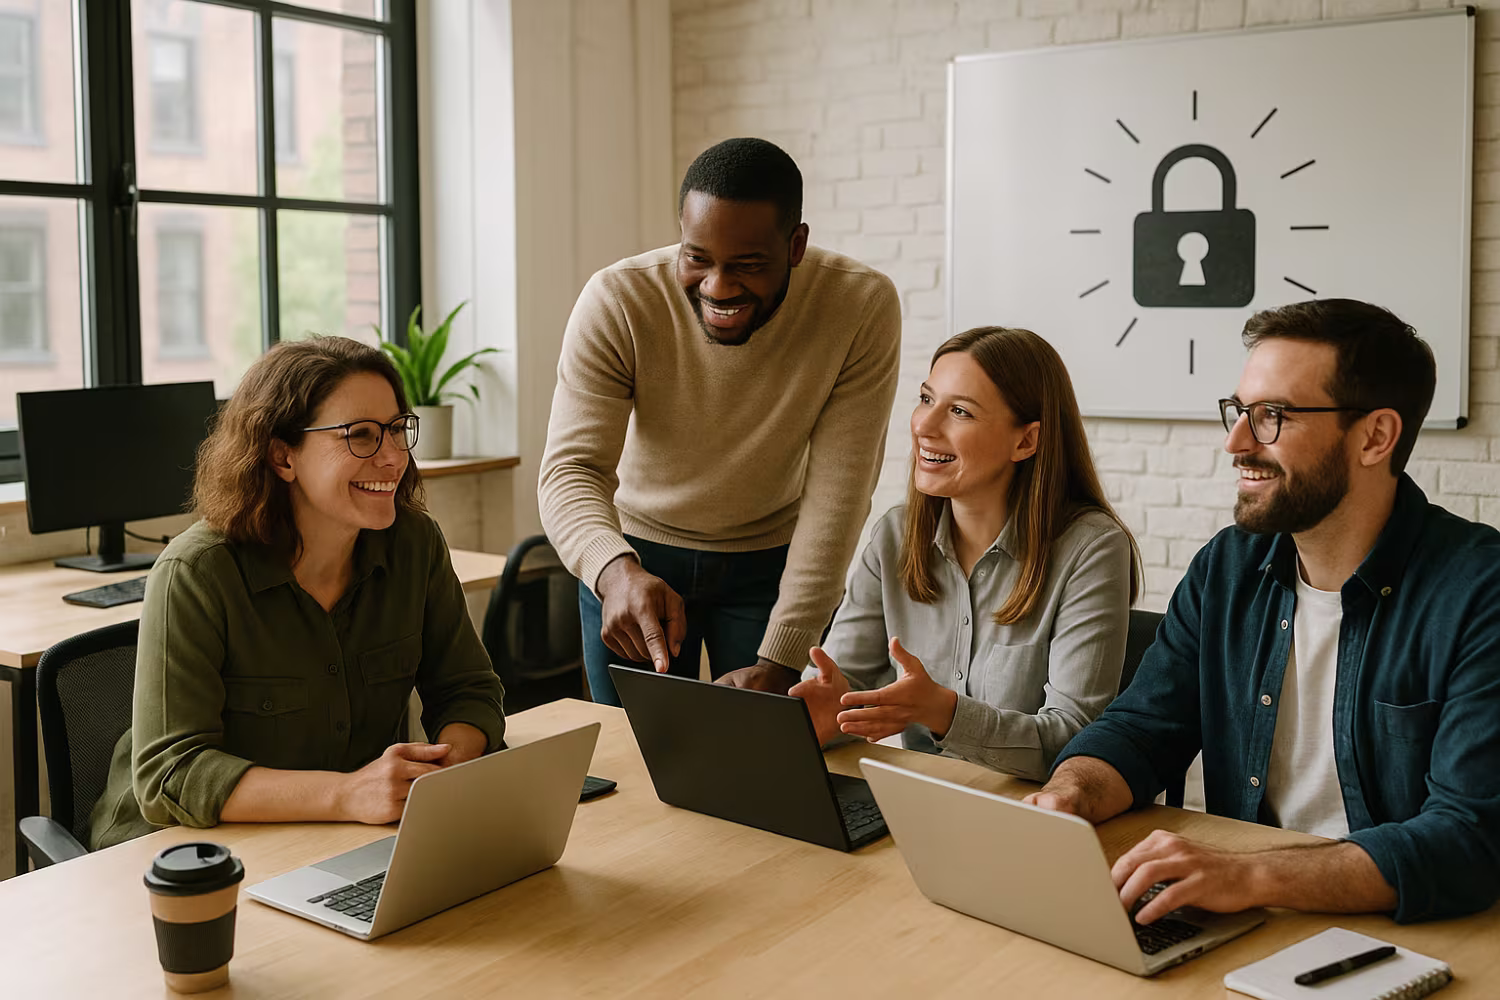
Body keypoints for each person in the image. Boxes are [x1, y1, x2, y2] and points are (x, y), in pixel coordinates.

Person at [1026, 299, 1500, 925]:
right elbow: (1141, 730)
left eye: (1273, 416)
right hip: (1241, 913)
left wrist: (1248, 874)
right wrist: (1068, 796)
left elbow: (1466, 839)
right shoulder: (1229, 567)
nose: (1237, 443)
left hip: (1396, 928)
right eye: (1241, 411)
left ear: (1375, 437)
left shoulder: (1478, 590)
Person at [90, 337, 507, 849]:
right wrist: (348, 794)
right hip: (175, 856)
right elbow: (171, 774)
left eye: (398, 430)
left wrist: (443, 774)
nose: (393, 457)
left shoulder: (414, 546)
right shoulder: (196, 572)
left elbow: (468, 690)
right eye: (360, 436)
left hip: (337, 839)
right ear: (283, 456)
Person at [539, 137, 901, 706]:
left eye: (749, 266)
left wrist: (784, 653)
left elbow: (840, 491)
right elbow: (571, 471)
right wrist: (612, 572)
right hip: (632, 555)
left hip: (774, 569)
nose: (718, 288)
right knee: (632, 760)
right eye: (697, 259)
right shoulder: (618, 299)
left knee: (762, 761)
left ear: (796, 245)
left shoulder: (859, 305)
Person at [789, 327, 1138, 780]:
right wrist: (829, 708)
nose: (924, 426)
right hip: (918, 797)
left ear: (1026, 441)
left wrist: (947, 714)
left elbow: (1075, 739)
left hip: (1029, 815)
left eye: (959, 411)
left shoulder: (1091, 549)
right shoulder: (895, 535)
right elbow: (846, 683)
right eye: (926, 399)